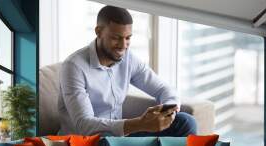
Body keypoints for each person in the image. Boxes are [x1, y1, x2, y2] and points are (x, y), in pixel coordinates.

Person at [57, 5, 197, 137]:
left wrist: (168, 112)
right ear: (98, 32)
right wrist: (140, 124)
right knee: (107, 139)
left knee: (186, 122)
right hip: (88, 142)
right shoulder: (74, 67)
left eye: (128, 38)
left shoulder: (128, 58)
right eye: (116, 38)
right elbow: (85, 125)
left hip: (120, 138)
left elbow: (162, 88)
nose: (123, 46)